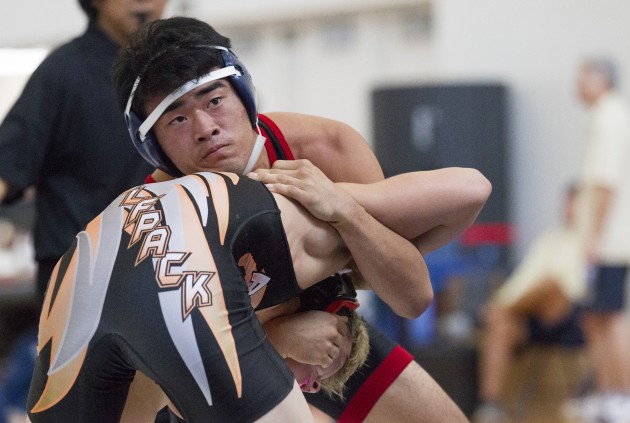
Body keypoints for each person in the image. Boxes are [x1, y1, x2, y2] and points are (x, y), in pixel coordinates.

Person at [113, 16, 491, 422]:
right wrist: (274, 338)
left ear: (243, 94)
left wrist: (345, 210)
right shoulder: (153, 218)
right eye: (178, 119)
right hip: (229, 377)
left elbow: (412, 298)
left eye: (214, 100)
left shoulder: (324, 149)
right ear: (153, 147)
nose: (206, 128)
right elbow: (154, 370)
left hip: (331, 352)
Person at [26, 162, 471, 422]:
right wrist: (342, 208)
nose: (311, 384)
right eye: (332, 352)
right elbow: (469, 190)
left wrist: (275, 340)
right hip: (152, 262)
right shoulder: (308, 226)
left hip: (85, 275)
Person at [0, 2, 168, 421]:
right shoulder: (61, 73)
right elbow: (7, 165)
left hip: (166, 272)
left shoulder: (177, 69)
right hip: (79, 289)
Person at [472, 183, 586, 423]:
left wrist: (501, 306)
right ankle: (491, 406)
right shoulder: (549, 240)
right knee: (501, 327)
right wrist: (502, 302)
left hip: (569, 316)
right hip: (530, 316)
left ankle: (499, 310)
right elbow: (522, 280)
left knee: (551, 283)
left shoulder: (593, 243)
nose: (569, 210)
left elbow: (577, 289)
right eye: (567, 204)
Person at [567, 57, 630, 423]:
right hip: (603, 240)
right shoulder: (607, 116)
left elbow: (606, 184)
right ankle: (608, 394)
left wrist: (594, 236)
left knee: (611, 317)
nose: (577, 84)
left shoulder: (609, 118)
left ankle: (622, 396)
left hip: (607, 241)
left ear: (600, 79)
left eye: (582, 76)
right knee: (597, 318)